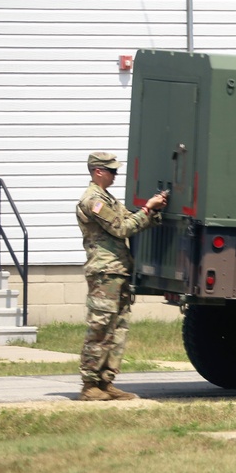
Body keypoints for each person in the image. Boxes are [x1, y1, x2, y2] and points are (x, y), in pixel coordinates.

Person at [76, 151, 168, 401]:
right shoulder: (93, 201)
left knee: (117, 329)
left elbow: (129, 218)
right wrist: (147, 209)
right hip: (105, 272)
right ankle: (89, 384)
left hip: (118, 270)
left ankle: (106, 382)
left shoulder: (108, 199)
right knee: (100, 327)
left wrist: (152, 210)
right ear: (98, 171)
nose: (116, 175)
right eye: (111, 171)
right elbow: (122, 227)